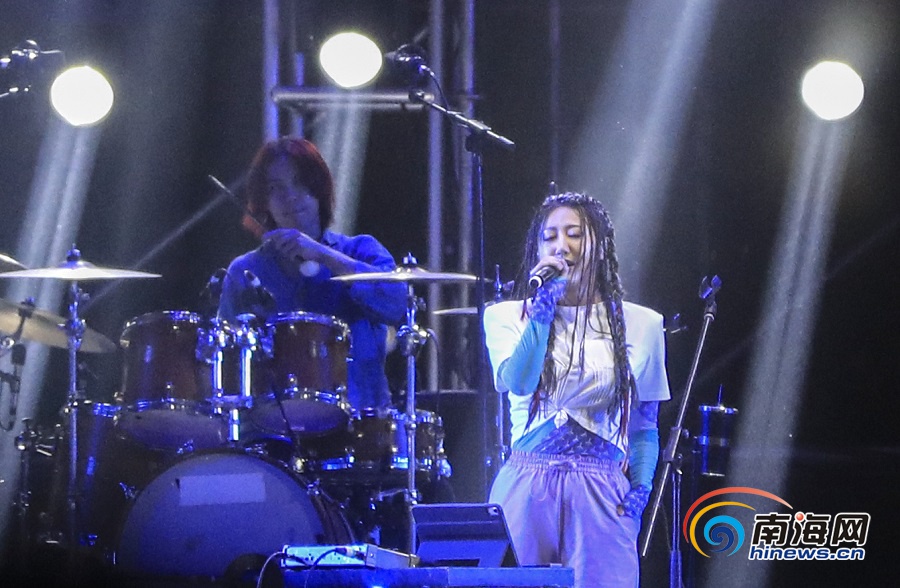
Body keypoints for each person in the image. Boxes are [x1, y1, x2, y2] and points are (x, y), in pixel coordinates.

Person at [483, 192, 670, 587]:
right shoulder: (507, 316)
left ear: (599, 247)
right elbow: (519, 382)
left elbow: (645, 424)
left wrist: (641, 487)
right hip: (526, 483)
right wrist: (541, 314)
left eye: (574, 234)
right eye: (549, 237)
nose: (561, 246)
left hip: (601, 488)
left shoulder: (642, 324)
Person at [217, 137, 407, 410]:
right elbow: (226, 357)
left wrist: (321, 253)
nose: (290, 196)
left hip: (361, 421)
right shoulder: (245, 270)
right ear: (264, 201)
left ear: (318, 189)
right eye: (275, 188)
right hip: (272, 425)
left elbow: (397, 303)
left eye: (299, 183)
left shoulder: (361, 249)